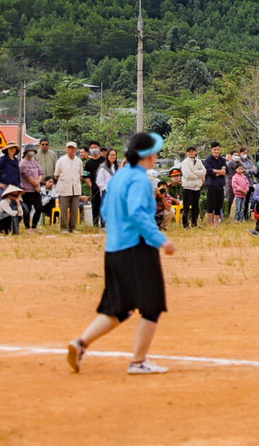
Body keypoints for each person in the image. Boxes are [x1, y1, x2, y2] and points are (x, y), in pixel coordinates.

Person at [66, 132, 176, 375]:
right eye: (155, 152)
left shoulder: (119, 177)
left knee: (119, 307)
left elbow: (105, 211)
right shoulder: (139, 180)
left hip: (114, 250)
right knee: (152, 305)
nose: (157, 156)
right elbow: (138, 214)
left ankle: (81, 344)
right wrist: (161, 240)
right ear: (147, 156)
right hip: (137, 249)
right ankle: (138, 362)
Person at [54, 141, 84, 234]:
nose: (71, 150)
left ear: (76, 149)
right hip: (64, 188)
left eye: (73, 148)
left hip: (76, 188)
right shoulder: (61, 160)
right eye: (69, 148)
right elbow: (56, 174)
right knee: (64, 210)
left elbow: (81, 175)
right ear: (66, 149)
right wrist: (65, 180)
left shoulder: (79, 161)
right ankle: (64, 228)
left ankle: (72, 228)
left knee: (75, 209)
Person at [180, 145, 206, 229]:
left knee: (196, 206)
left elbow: (204, 171)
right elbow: (187, 175)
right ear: (187, 153)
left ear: (195, 152)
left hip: (197, 187)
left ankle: (194, 223)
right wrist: (198, 175)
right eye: (189, 151)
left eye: (193, 151)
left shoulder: (199, 161)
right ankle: (185, 224)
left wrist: (194, 172)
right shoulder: (185, 162)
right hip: (188, 187)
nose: (191, 153)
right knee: (186, 207)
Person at [19, 144, 44, 231]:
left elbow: (41, 173)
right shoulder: (23, 163)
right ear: (26, 152)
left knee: (39, 208)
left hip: (36, 190)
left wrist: (38, 182)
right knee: (27, 209)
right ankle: (27, 227)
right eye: (30, 151)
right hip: (27, 190)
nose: (32, 153)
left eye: (33, 151)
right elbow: (28, 176)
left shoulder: (35, 163)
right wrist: (36, 184)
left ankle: (34, 226)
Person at [84, 141, 104, 227]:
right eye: (92, 148)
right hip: (94, 187)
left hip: (104, 187)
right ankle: (95, 224)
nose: (93, 149)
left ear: (99, 148)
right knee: (95, 206)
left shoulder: (104, 160)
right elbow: (86, 176)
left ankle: (104, 225)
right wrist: (92, 185)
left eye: (95, 147)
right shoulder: (88, 163)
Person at [96, 149, 120, 220]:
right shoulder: (103, 167)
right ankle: (104, 225)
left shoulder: (117, 167)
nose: (112, 157)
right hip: (106, 191)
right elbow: (99, 181)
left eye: (114, 155)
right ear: (107, 156)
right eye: (111, 155)